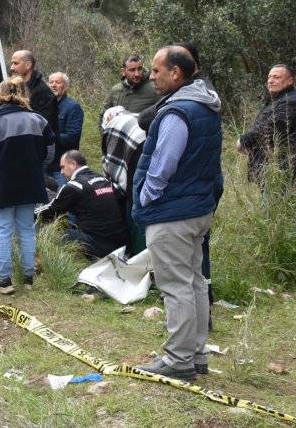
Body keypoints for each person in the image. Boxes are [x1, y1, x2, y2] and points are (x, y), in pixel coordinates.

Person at [133, 47, 222, 381]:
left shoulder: (176, 113)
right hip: (198, 206)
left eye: (156, 71)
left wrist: (146, 197)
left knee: (176, 286)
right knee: (196, 281)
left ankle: (178, 360)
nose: (151, 76)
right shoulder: (205, 103)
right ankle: (196, 354)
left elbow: (162, 166)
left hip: (173, 211)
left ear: (176, 73)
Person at [0, 76, 55, 294]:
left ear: (0, 95)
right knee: (26, 228)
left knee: (1, 230)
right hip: (30, 182)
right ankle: (28, 277)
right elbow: (50, 152)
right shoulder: (38, 120)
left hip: (1, 184)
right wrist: (37, 169)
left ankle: (3, 279)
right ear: (24, 95)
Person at [37, 150, 127, 259]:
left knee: (58, 234)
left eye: (62, 167)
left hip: (99, 245)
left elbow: (51, 211)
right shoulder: (101, 178)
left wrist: (29, 215)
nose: (61, 172)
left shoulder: (75, 185)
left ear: (73, 164)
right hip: (121, 243)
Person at [236, 64, 296, 183]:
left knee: (280, 201)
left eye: (276, 77)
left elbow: (270, 129)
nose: (271, 80)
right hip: (272, 171)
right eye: (269, 77)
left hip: (282, 171)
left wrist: (244, 141)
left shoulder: (291, 102)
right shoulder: (280, 100)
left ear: (290, 81)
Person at [100, 106, 147, 256]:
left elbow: (113, 161)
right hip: (150, 158)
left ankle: (135, 254)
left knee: (133, 200)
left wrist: (114, 186)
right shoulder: (135, 115)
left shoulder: (113, 125)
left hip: (137, 161)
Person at [0, 50, 58, 136]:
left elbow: (46, 127)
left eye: (15, 64)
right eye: (12, 63)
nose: (11, 68)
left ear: (28, 65)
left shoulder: (43, 93)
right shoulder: (7, 89)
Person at [48, 71, 84, 187]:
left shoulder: (73, 107)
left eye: (58, 82)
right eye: (51, 82)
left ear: (66, 87)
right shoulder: (45, 106)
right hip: (46, 165)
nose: (53, 85)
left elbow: (72, 136)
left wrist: (49, 137)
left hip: (63, 167)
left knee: (64, 200)